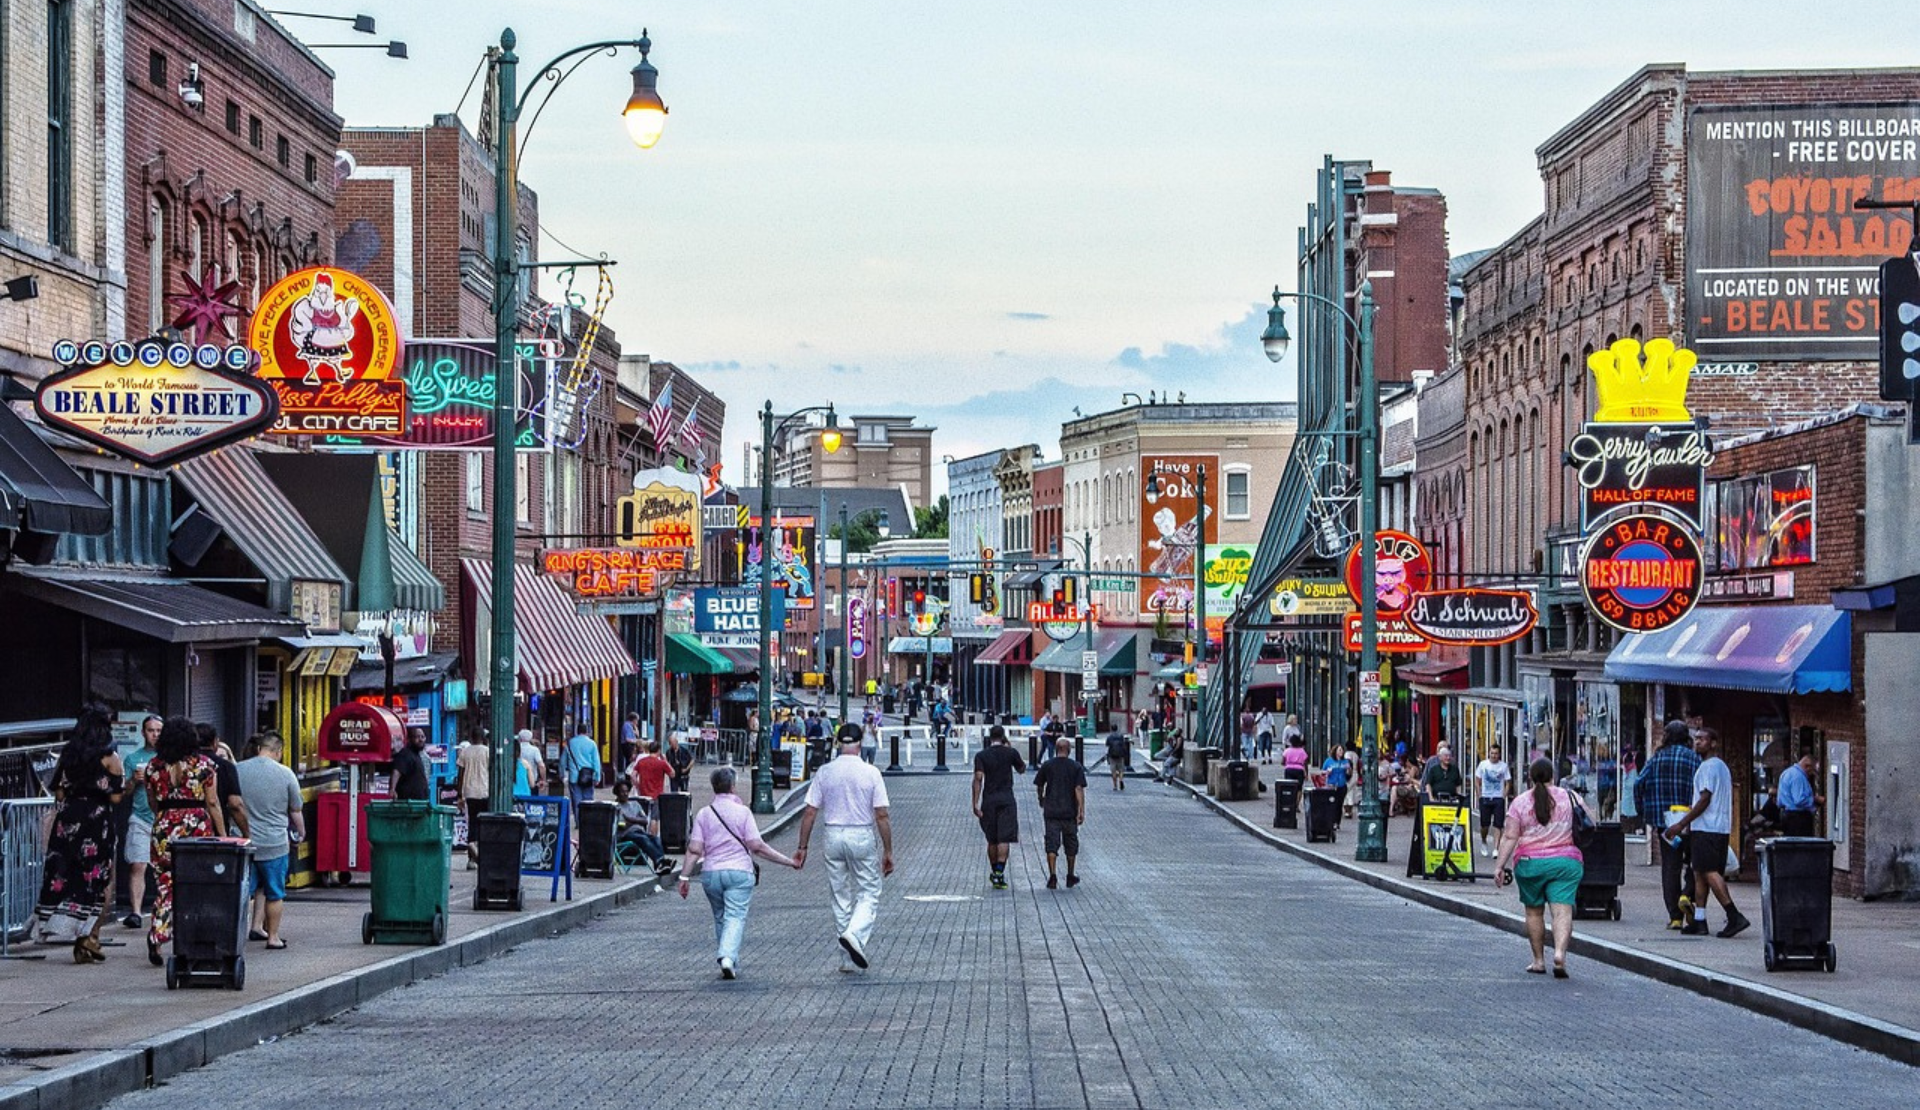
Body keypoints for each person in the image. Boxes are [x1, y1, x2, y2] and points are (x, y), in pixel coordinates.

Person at [676, 766, 800, 979]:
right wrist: (788, 862)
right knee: (735, 916)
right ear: (733, 786)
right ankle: (727, 956)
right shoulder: (743, 812)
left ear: (714, 787)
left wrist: (684, 876)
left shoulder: (705, 813)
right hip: (739, 872)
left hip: (711, 873)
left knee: (720, 917)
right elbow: (757, 846)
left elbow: (695, 849)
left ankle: (729, 960)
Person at [792, 724, 894, 972]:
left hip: (833, 833)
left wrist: (802, 846)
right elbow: (881, 815)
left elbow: (810, 812)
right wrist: (888, 850)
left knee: (840, 896)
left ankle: (846, 959)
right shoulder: (871, 773)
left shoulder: (825, 772)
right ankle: (855, 934)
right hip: (860, 833)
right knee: (869, 891)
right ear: (860, 744)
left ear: (838, 743)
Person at [32, 705, 125, 963]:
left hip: (69, 820)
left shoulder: (69, 754)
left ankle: (71, 929)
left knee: (67, 873)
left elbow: (59, 792)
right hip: (96, 822)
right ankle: (90, 935)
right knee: (100, 877)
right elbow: (116, 797)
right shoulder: (110, 757)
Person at [143, 716, 226, 965]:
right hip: (196, 825)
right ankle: (190, 939)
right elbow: (213, 802)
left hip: (164, 826)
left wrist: (165, 816)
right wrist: (222, 835)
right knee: (196, 885)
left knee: (165, 884)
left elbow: (152, 801)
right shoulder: (205, 765)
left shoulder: (153, 766)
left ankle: (158, 934)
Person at [1494, 759, 1587, 978]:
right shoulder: (1571, 797)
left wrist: (1500, 866)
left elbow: (1510, 837)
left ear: (1530, 777)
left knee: (1534, 912)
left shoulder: (1520, 802)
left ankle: (1538, 960)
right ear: (1553, 776)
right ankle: (1560, 954)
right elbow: (1590, 820)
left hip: (1530, 864)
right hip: (1565, 862)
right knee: (1562, 910)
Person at [1663, 728, 1751, 938]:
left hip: (1706, 828)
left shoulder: (1708, 767)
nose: (1697, 742)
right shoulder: (1721, 767)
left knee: (1710, 872)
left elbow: (1704, 799)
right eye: (1696, 739)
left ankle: (1733, 915)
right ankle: (1699, 920)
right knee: (1699, 872)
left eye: (1703, 739)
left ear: (1713, 743)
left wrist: (1681, 824)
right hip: (1718, 828)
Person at [1633, 720, 1702, 929]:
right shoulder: (1694, 759)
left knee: (1670, 868)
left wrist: (1643, 811)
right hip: (1689, 820)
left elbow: (1638, 784)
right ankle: (1687, 894)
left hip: (1665, 824)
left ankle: (1675, 917)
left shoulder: (1657, 758)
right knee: (1695, 863)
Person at [237, 732, 303, 951]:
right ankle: (273, 937)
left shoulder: (238, 770)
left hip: (242, 842)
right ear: (279, 751)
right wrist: (300, 833)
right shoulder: (286, 774)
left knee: (240, 893)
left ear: (259, 749)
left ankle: (234, 936)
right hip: (274, 843)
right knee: (275, 893)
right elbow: (295, 809)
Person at [970, 724, 1027, 889]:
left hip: (989, 801)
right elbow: (1022, 769)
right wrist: (1010, 748)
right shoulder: (1010, 753)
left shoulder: (981, 756)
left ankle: (994, 870)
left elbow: (978, 778)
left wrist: (975, 803)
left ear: (990, 737)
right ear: (1002, 737)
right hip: (1007, 799)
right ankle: (999, 873)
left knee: (992, 839)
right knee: (1004, 838)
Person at [121, 714, 161, 929]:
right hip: (140, 816)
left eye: (158, 731)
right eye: (151, 730)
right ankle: (136, 911)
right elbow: (124, 792)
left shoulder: (168, 758)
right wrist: (133, 781)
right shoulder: (133, 758)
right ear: (143, 733)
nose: (155, 735)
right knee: (138, 864)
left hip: (163, 818)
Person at [1034, 736, 1088, 889]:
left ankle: (1052, 875)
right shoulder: (1075, 767)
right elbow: (1078, 789)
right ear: (1069, 750)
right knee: (1071, 844)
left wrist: (1041, 798)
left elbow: (1039, 784)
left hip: (1051, 810)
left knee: (1052, 843)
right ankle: (1070, 875)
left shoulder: (1047, 765)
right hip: (1069, 811)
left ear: (1057, 749)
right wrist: (1081, 810)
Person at [197, 723, 250, 837]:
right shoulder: (226, 766)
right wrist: (246, 834)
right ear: (215, 742)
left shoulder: (183, 764)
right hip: (216, 830)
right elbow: (235, 804)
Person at [614, 781, 674, 875]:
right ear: (617, 793)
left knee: (656, 839)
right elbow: (621, 826)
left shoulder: (635, 804)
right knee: (643, 838)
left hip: (639, 831)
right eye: (622, 792)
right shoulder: (616, 808)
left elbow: (645, 820)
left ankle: (660, 863)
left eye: (627, 791)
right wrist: (636, 821)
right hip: (625, 835)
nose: (625, 794)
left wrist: (630, 819)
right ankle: (660, 862)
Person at [455, 728, 491, 865]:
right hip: (485, 791)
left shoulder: (465, 752)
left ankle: (471, 853)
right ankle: (480, 849)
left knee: (472, 822)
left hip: (470, 792)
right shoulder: (487, 751)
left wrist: (459, 794)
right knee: (484, 822)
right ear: (483, 737)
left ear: (471, 737)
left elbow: (460, 774)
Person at [1473, 744, 1513, 859]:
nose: (1494, 756)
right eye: (1492, 753)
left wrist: (1503, 796)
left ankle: (1496, 848)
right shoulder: (1483, 765)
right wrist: (1479, 795)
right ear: (1489, 753)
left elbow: (1508, 782)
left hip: (1498, 798)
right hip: (1485, 797)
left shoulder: (1503, 766)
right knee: (1484, 824)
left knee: (1498, 824)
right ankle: (1484, 840)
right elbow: (1477, 780)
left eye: (1496, 754)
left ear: (1499, 754)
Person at [1777, 752, 1821, 838]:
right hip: (1798, 818)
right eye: (1812, 771)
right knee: (1801, 843)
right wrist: (1816, 799)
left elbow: (1779, 801)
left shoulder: (1787, 772)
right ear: (1807, 766)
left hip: (1786, 814)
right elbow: (1799, 800)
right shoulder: (1798, 777)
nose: (1811, 774)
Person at [561, 726, 601, 809]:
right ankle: (587, 816)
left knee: (576, 801)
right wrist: (597, 777)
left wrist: (562, 775)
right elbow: (596, 762)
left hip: (574, 776)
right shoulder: (592, 744)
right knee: (588, 800)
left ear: (577, 731)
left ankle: (578, 816)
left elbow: (562, 762)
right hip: (588, 776)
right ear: (587, 731)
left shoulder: (570, 743)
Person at [391, 727, 431, 802]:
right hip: (408, 803)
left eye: (422, 737)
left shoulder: (417, 755)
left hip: (419, 802)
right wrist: (392, 789)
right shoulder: (405, 754)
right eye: (417, 737)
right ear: (410, 739)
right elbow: (397, 771)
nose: (421, 739)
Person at [1322, 743, 1350, 821]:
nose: (1341, 752)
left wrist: (1348, 769)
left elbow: (1348, 773)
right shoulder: (1329, 761)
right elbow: (1323, 772)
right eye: (1340, 750)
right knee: (1331, 804)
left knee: (1339, 805)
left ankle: (1337, 822)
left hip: (1342, 785)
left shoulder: (1345, 761)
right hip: (1331, 785)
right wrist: (1327, 772)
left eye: (1342, 750)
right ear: (1335, 751)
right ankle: (1330, 820)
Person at [664, 729, 695, 794]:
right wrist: (669, 771)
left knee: (684, 793)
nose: (672, 745)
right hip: (674, 775)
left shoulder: (684, 750)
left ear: (676, 742)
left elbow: (692, 760)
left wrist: (686, 769)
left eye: (673, 743)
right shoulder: (668, 752)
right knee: (674, 793)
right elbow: (666, 762)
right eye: (671, 744)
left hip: (683, 775)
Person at [516, 729, 546, 795]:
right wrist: (543, 779)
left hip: (517, 781)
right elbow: (541, 766)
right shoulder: (534, 750)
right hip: (532, 781)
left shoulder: (516, 748)